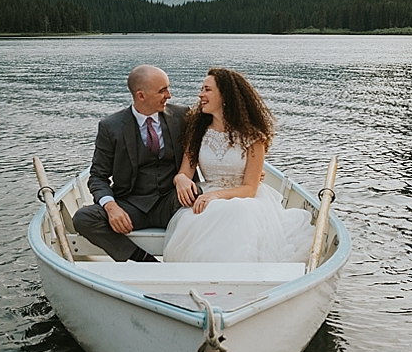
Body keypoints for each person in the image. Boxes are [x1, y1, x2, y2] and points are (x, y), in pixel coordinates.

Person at [164, 67, 314, 263]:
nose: (201, 94)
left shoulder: (253, 137)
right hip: (208, 195)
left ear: (225, 96)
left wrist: (215, 195)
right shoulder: (197, 132)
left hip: (244, 197)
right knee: (200, 217)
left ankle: (235, 278)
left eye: (207, 89)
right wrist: (181, 180)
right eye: (202, 89)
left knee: (237, 213)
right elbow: (184, 172)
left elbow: (250, 188)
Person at [73, 65, 189, 262]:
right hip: (132, 205)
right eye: (162, 90)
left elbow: (215, 136)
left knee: (203, 202)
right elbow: (98, 177)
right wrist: (111, 207)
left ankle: (189, 261)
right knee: (83, 219)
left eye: (167, 88)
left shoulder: (183, 116)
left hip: (172, 202)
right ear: (141, 96)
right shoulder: (111, 126)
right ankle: (142, 259)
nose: (169, 95)